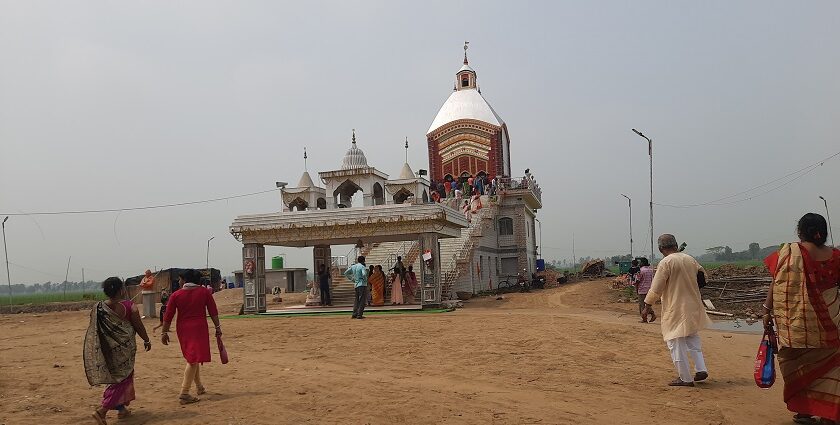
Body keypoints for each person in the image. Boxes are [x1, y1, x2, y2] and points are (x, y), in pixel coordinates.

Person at [763, 213, 840, 425]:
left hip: (794, 324)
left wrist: (766, 310)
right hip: (831, 321)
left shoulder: (786, 254)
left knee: (796, 366)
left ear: (800, 231)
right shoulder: (835, 256)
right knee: (831, 367)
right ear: (822, 232)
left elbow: (775, 283)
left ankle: (804, 412)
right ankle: (828, 415)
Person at [641, 234, 710, 387]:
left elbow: (656, 287)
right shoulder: (690, 259)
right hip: (693, 304)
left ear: (660, 249)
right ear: (676, 244)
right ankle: (701, 369)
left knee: (675, 341)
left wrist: (647, 305)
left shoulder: (666, 262)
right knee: (692, 338)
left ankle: (685, 378)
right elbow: (703, 278)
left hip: (676, 306)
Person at [84, 277, 151, 424]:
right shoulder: (129, 306)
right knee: (122, 379)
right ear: (121, 290)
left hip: (107, 349)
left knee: (117, 377)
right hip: (124, 350)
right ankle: (102, 411)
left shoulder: (99, 307)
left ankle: (122, 409)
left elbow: (95, 329)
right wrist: (146, 339)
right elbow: (138, 325)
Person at [161, 269, 221, 404]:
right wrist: (217, 327)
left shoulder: (176, 295)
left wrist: (164, 333)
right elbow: (213, 311)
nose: (179, 281)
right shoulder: (204, 292)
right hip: (199, 328)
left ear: (185, 280)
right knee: (193, 359)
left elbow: (168, 316)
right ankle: (184, 392)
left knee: (193, 357)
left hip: (183, 328)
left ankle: (199, 387)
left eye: (180, 279)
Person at [634, 258, 654, 322]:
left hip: (642, 289)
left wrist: (636, 289)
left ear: (642, 263)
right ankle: (653, 314)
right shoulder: (650, 270)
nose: (639, 264)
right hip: (649, 289)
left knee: (642, 305)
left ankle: (644, 319)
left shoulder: (641, 271)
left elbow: (637, 281)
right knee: (647, 304)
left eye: (640, 262)